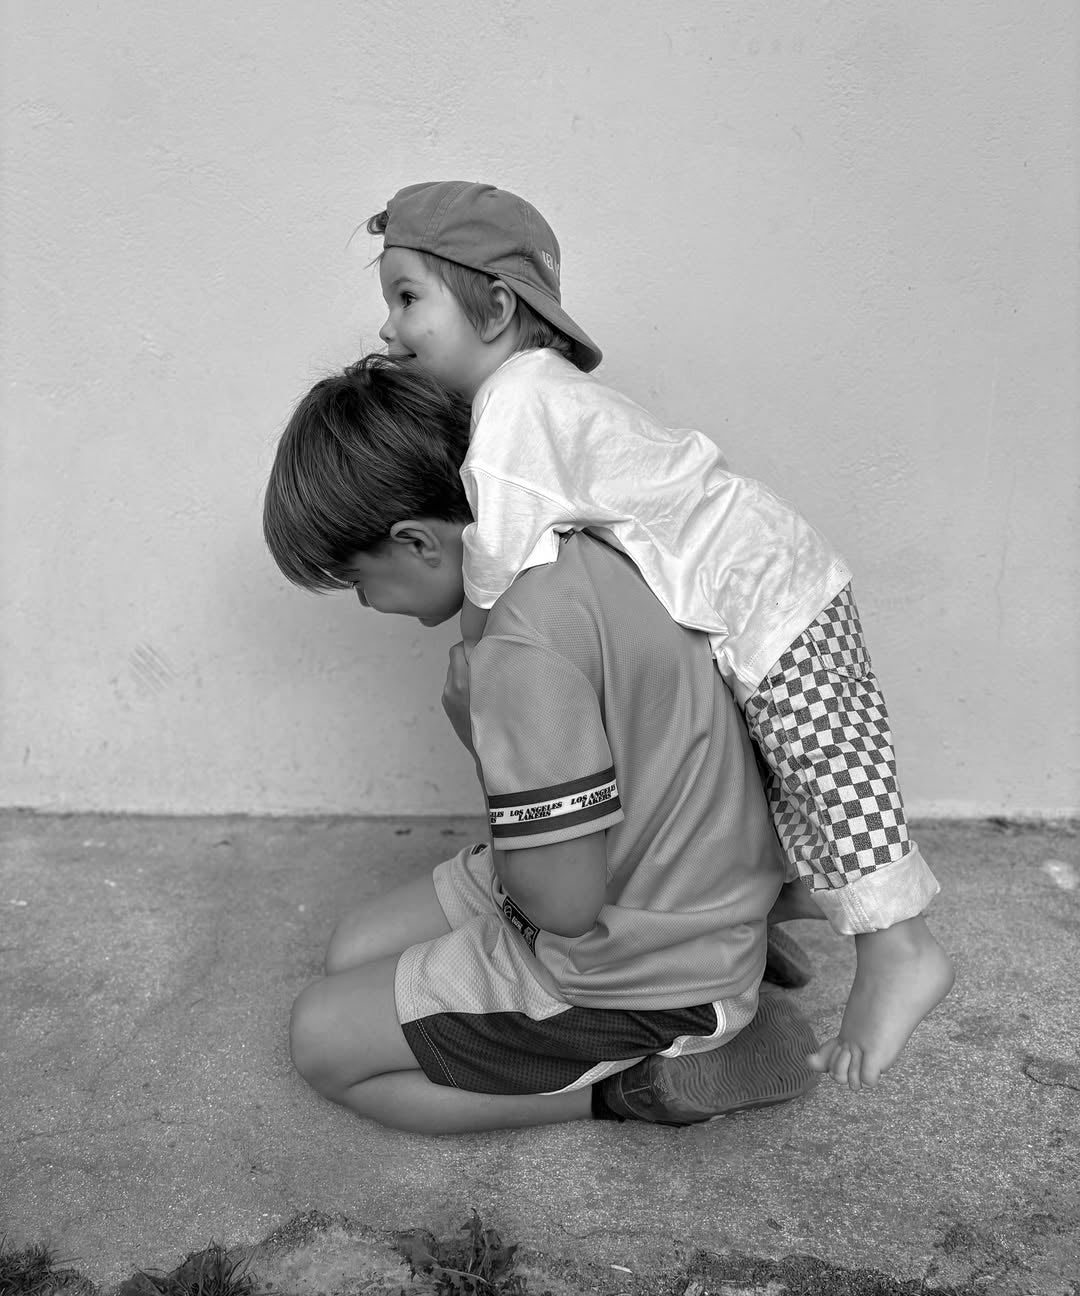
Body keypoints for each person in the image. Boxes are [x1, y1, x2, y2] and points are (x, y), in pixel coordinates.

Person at [363, 180, 954, 1092]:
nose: (390, 330)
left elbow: (501, 565)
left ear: (495, 305)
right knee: (773, 786)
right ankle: (761, 932)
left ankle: (901, 948)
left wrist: (484, 671)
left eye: (409, 298)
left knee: (838, 784)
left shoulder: (515, 410)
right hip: (751, 593)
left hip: (769, 592)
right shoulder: (541, 394)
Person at [262, 354, 820, 1132]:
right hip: (670, 882)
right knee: (350, 949)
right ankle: (730, 956)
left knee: (320, 1037)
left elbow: (561, 905)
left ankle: (642, 1084)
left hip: (635, 967)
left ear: (418, 543)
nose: (363, 601)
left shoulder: (521, 651)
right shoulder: (573, 543)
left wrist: (480, 738)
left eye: (358, 579)